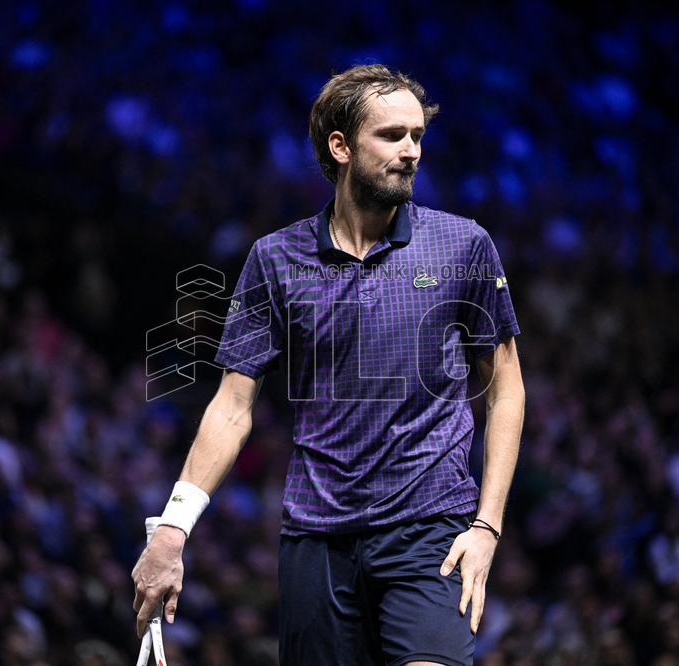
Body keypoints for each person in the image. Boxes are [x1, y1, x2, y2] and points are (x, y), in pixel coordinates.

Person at [132, 63, 525, 666]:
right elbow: (232, 406)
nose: (412, 151)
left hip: (429, 530)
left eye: (418, 136)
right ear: (340, 147)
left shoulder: (462, 245)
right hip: (315, 539)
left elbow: (505, 392)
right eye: (392, 136)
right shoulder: (276, 258)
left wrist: (487, 527)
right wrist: (173, 528)